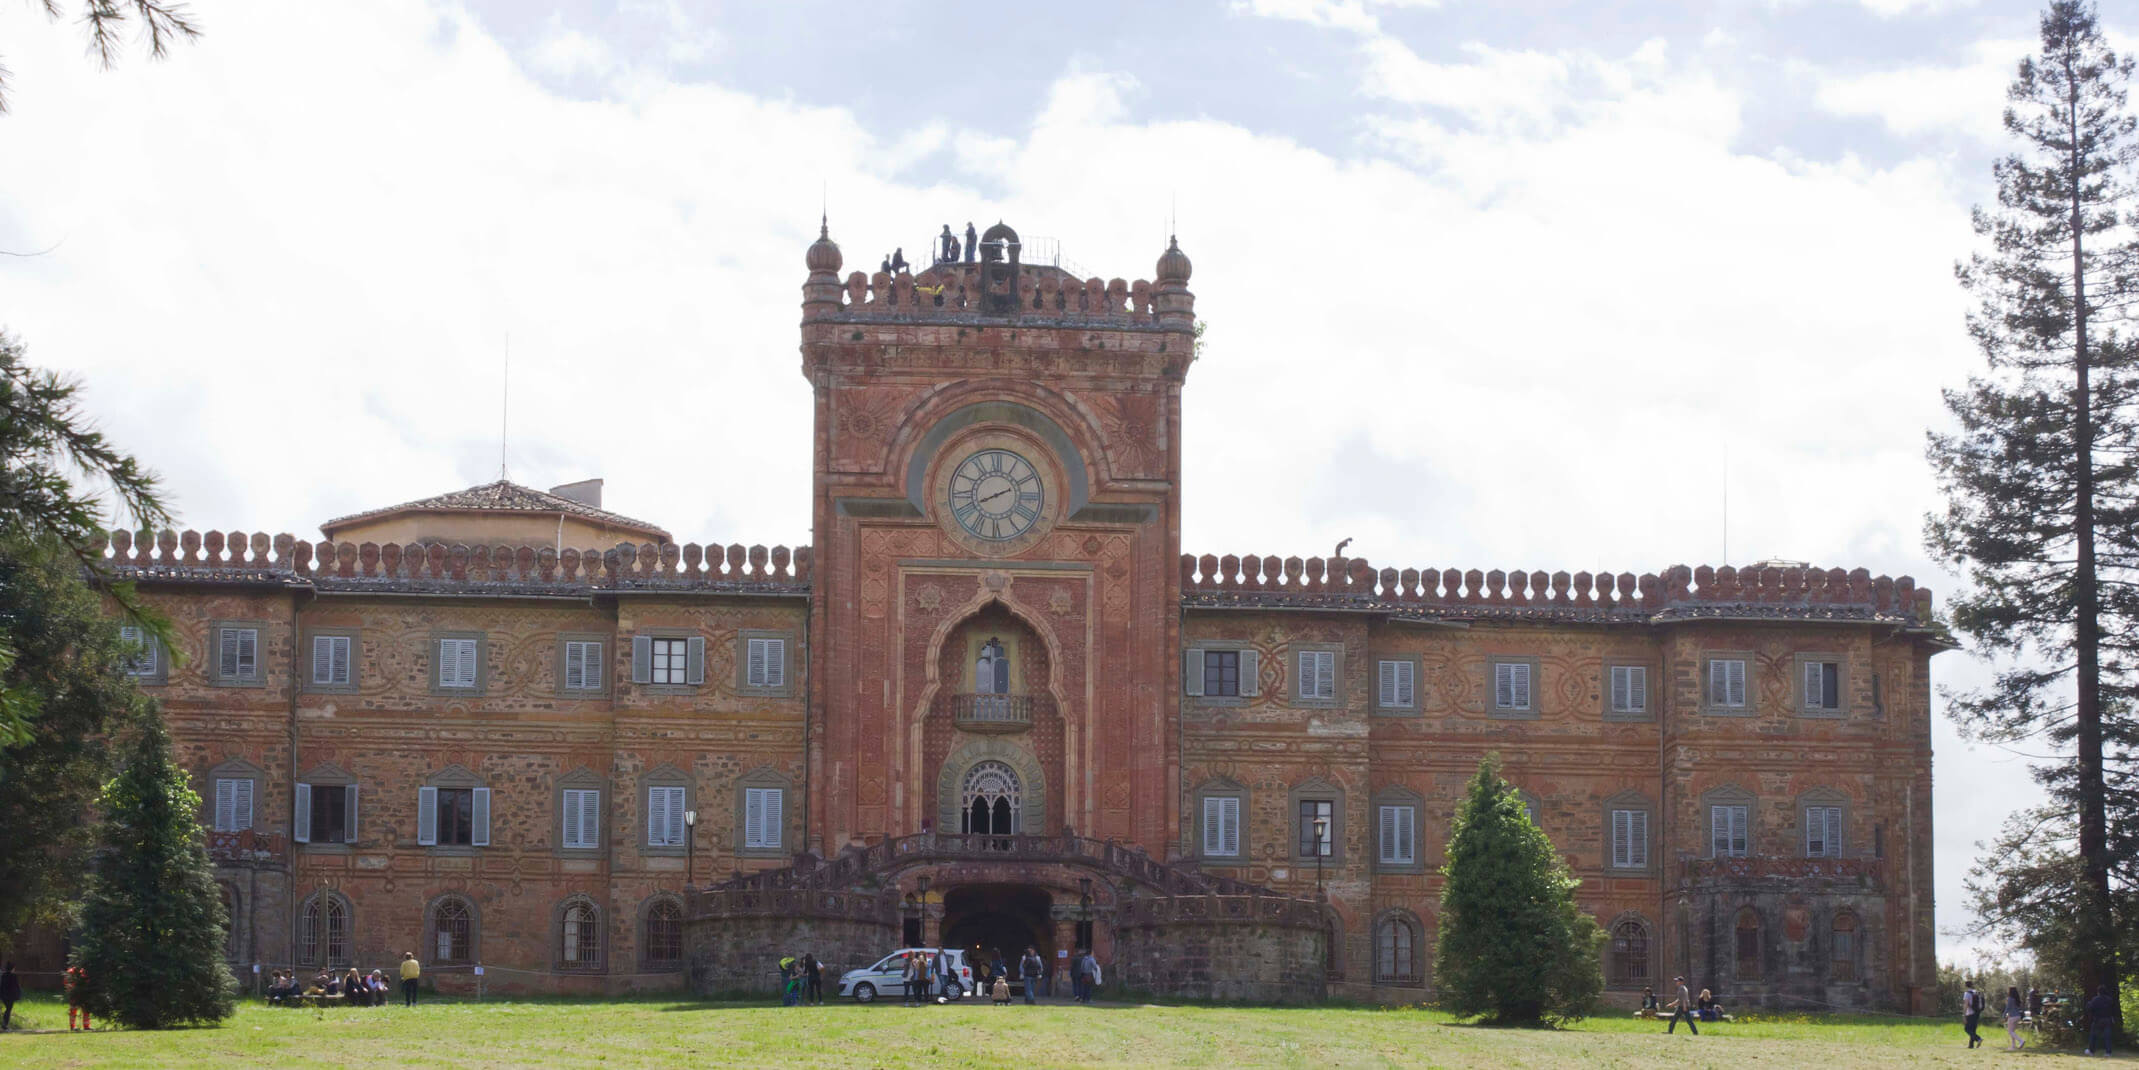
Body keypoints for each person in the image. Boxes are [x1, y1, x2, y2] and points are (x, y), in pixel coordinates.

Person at [2084, 984, 2116, 1056]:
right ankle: (2108, 1052)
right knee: (2107, 1037)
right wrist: (2112, 1018)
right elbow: (2113, 1010)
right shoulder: (2109, 999)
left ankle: (2091, 1051)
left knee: (2093, 1036)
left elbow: (2090, 1009)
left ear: (2098, 992)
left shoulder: (2095, 999)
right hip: (2107, 1019)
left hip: (2097, 1019)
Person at [1961, 978, 1983, 1048]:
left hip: (1970, 1013)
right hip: (1977, 1012)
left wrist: (1964, 1015)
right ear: (1972, 985)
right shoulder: (1976, 992)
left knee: (1967, 1029)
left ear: (1965, 985)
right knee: (1973, 1029)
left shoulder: (1967, 993)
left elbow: (1966, 1004)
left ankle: (1978, 1039)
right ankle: (1971, 1045)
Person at [2003, 985, 2026, 1051]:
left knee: (2010, 1031)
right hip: (2018, 1016)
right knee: (2012, 1031)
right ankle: (2013, 1046)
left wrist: (2003, 1015)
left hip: (2012, 1017)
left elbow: (2007, 1008)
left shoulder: (2010, 999)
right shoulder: (2016, 999)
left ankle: (2021, 1041)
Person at [0, 960, 20, 1031]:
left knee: (8, 1009)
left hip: (3, 996)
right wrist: (17, 995)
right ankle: (5, 1025)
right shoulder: (13, 976)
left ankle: (4, 1024)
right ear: (12, 968)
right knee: (8, 1010)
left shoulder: (3, 975)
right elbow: (15, 987)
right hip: (10, 996)